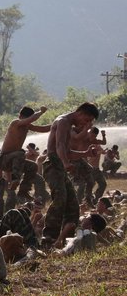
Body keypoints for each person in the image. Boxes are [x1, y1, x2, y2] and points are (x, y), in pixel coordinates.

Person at [41, 102, 99, 249]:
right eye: (86, 120)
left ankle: (67, 240)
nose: (85, 124)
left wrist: (85, 154)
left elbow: (67, 152)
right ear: (80, 113)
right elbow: (59, 146)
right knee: (60, 198)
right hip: (53, 165)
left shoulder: (69, 126)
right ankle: (48, 239)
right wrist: (66, 163)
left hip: (60, 165)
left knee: (73, 204)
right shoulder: (63, 122)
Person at [0, 106, 50, 204]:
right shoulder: (15, 123)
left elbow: (43, 129)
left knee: (33, 166)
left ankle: (23, 191)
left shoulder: (27, 125)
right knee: (20, 153)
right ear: (20, 116)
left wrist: (57, 124)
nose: (28, 123)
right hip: (3, 160)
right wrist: (41, 112)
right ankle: (15, 179)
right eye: (27, 120)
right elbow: (31, 119)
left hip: (15, 160)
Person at [69, 126, 106, 207]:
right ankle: (77, 201)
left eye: (94, 136)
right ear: (89, 132)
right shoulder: (82, 136)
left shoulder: (93, 141)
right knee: (81, 184)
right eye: (92, 135)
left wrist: (103, 135)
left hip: (82, 160)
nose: (92, 137)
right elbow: (74, 135)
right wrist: (84, 127)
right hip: (74, 159)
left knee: (90, 180)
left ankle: (88, 199)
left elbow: (103, 142)